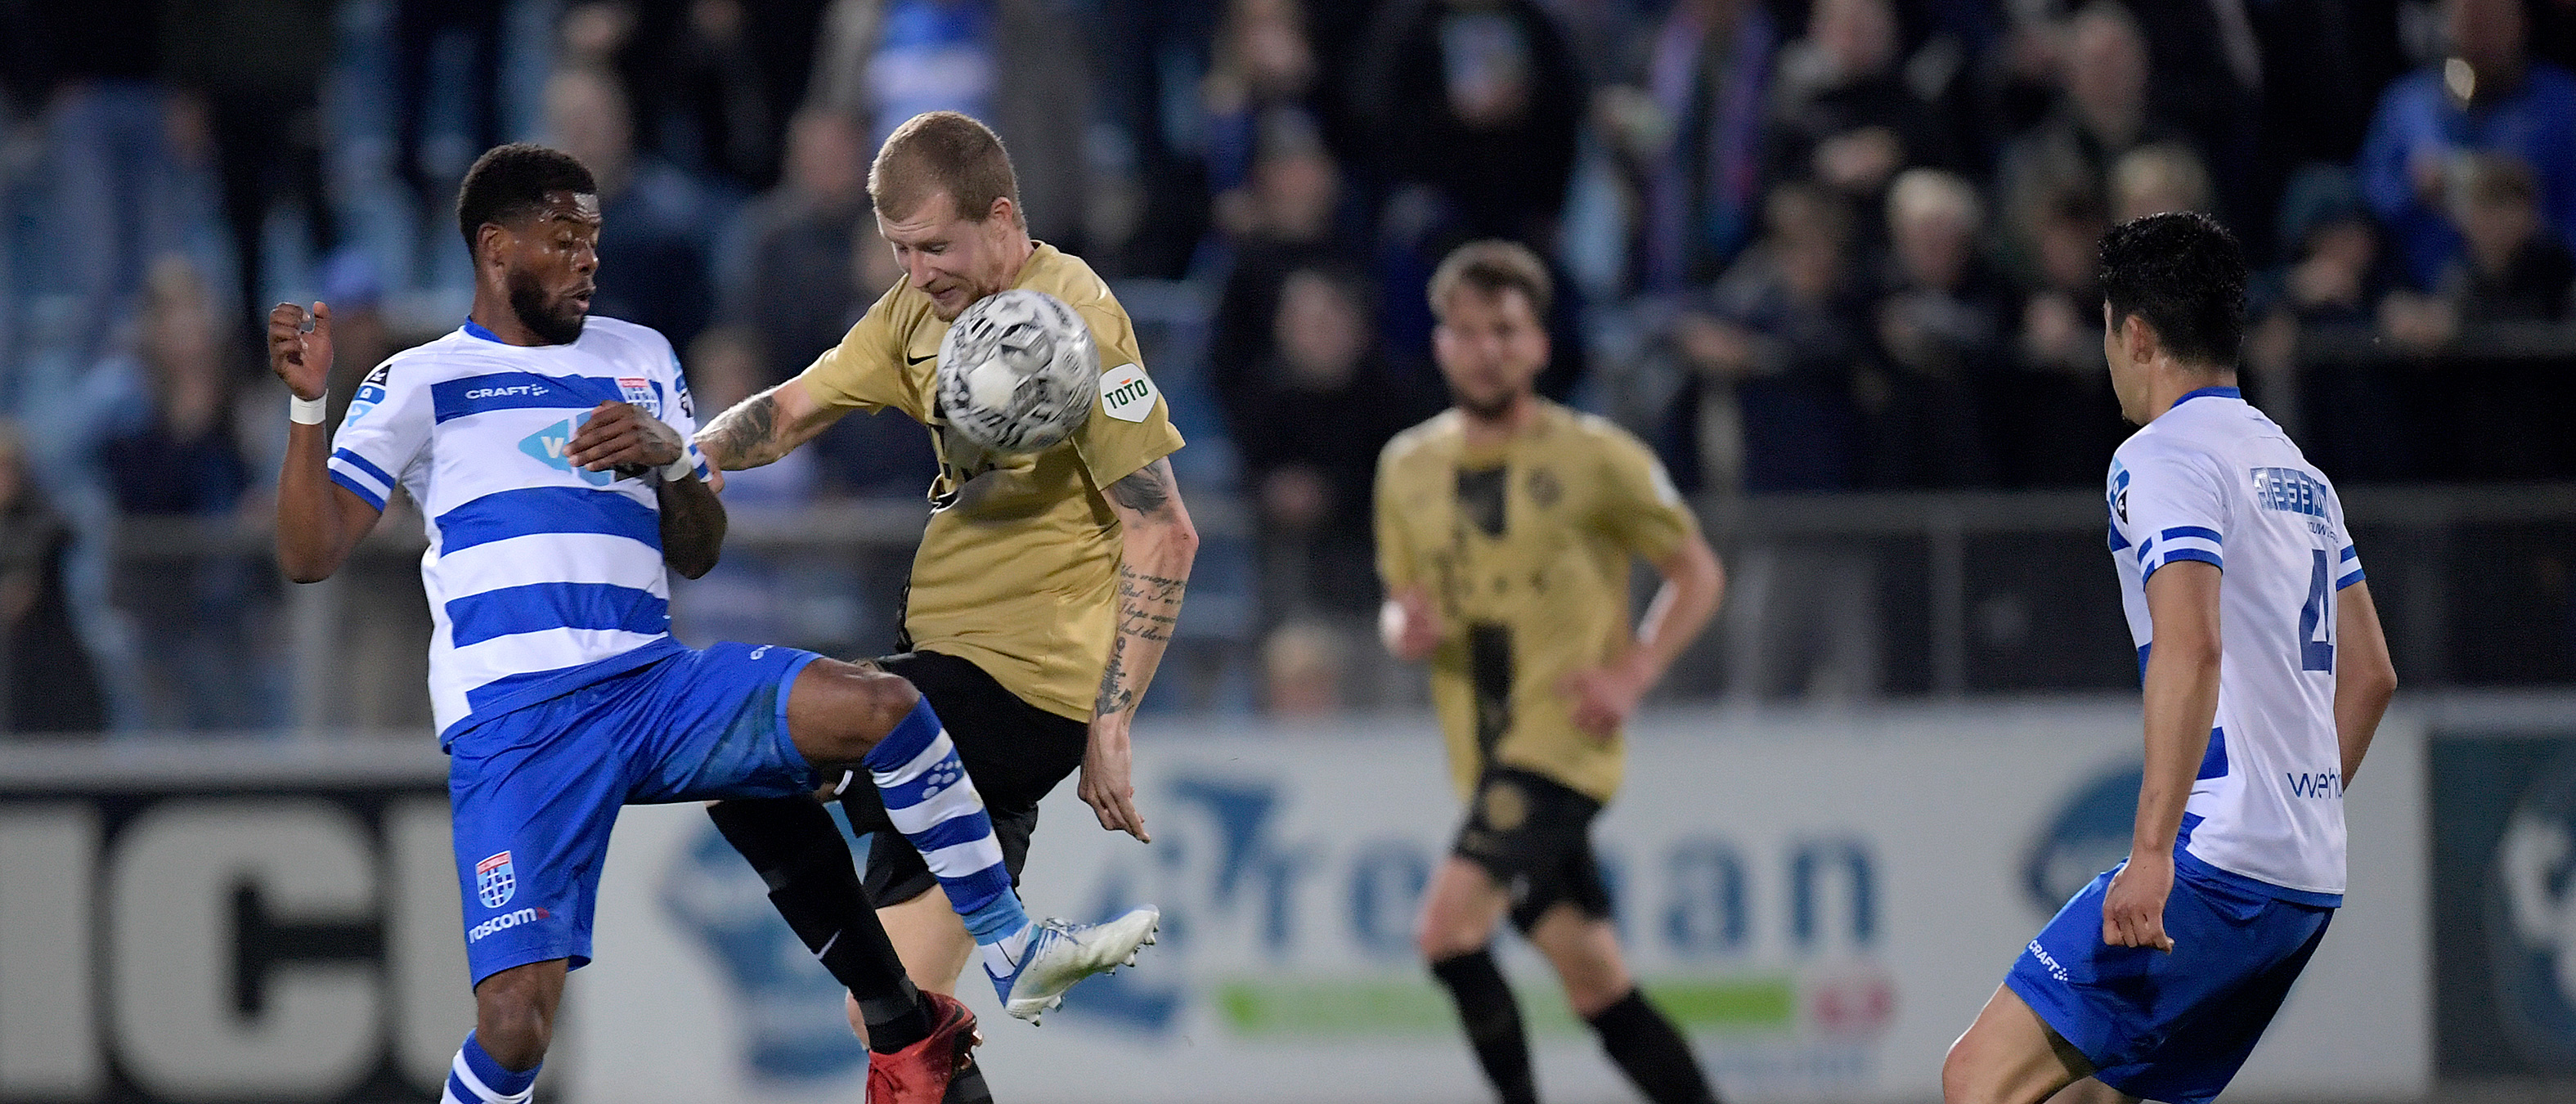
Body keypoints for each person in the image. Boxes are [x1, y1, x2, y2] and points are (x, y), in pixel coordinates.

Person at [266, 143, 1153, 1104]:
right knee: (517, 1027)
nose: (588, 259)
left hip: (653, 687)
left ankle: (1011, 947)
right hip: (519, 728)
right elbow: (309, 555)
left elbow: (698, 550)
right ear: (496, 248)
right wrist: (310, 404)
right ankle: (902, 1017)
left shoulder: (640, 357)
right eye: (564, 239)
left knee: (883, 707)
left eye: (594, 238)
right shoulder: (418, 382)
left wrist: (676, 463)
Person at [690, 109, 1197, 1079]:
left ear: (1001, 217)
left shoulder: (1077, 327)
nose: (918, 270)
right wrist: (686, 460)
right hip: (948, 677)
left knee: (738, 734)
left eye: (934, 245)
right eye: (898, 249)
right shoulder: (919, 311)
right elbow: (794, 407)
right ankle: (1018, 954)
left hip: (1012, 685)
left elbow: (1164, 528)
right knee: (896, 1022)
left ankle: (1018, 946)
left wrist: (1113, 720)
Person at [1940, 213, 2399, 1104]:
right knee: (2093, 1094)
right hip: (2306, 874)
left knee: (1978, 1078)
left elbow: (2190, 645)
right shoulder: (2296, 468)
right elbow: (2372, 674)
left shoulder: (2158, 457)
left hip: (2217, 859)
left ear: (2136, 332)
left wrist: (2153, 853)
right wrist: (2293, 807)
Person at [1376, 240, 1727, 1104]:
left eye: (1505, 330)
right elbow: (1399, 603)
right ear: (1441, 344)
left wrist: (1636, 673)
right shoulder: (1407, 466)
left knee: (1447, 933)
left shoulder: (1597, 456)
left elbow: (1698, 572)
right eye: (1466, 331)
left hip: (1562, 744)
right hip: (1483, 756)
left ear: (1537, 344)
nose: (1485, 348)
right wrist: (1400, 628)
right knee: (1596, 981)